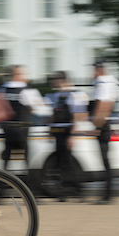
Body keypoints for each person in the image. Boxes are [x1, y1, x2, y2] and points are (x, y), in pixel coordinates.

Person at [44, 71, 89, 201]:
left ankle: (78, 190)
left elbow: (76, 116)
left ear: (61, 80)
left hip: (67, 132)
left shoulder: (73, 95)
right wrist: (50, 130)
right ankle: (65, 191)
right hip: (58, 132)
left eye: (54, 79)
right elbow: (53, 114)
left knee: (69, 162)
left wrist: (72, 135)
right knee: (61, 162)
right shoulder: (55, 95)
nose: (52, 82)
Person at [0, 65, 47, 177]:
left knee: (7, 157)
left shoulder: (2, 90)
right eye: (24, 74)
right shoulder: (27, 90)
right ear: (17, 75)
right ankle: (30, 185)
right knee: (26, 157)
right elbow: (35, 108)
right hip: (22, 127)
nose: (27, 77)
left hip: (7, 127)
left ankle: (2, 185)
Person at [90, 61, 119, 204]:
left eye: (94, 70)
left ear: (98, 70)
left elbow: (103, 105)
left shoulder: (101, 82)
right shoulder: (112, 82)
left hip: (102, 124)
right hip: (105, 123)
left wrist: (97, 125)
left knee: (105, 161)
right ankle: (108, 194)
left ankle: (107, 196)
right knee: (106, 160)